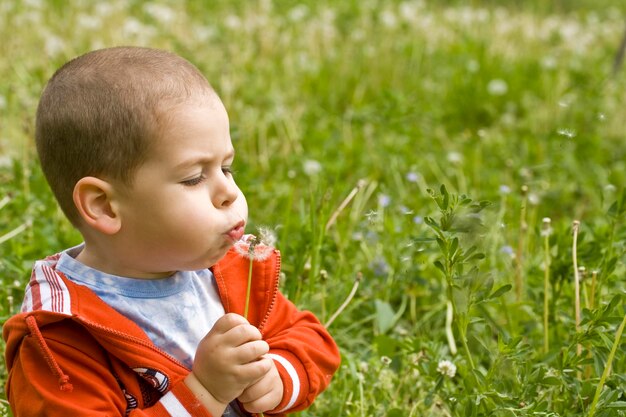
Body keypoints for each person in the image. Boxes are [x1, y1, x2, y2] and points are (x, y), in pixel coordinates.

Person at [3, 46, 340, 417]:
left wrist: (276, 378)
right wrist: (204, 393)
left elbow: (308, 339)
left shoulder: (225, 275)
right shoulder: (62, 340)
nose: (229, 192)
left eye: (226, 168)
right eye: (194, 177)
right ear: (103, 205)